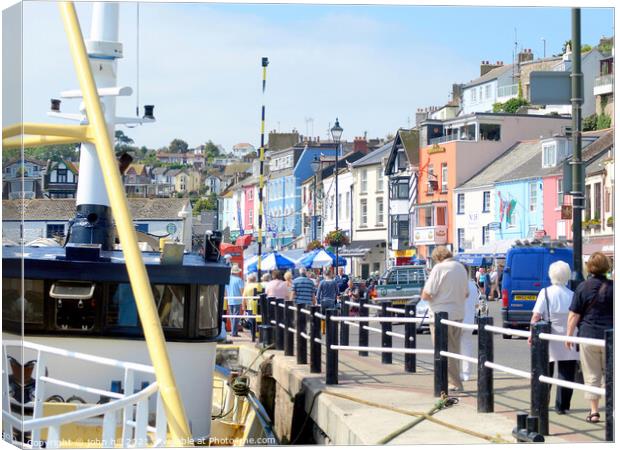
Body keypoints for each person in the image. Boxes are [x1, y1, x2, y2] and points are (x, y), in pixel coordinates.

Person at [566, 252, 613, 423]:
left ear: (589, 267)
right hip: (611, 337)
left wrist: (569, 336)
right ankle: (612, 409)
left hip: (588, 336)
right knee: (612, 374)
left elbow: (574, 315)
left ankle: (594, 412)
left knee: (591, 374)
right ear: (607, 267)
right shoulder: (614, 287)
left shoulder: (583, 287)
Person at [528, 261, 579, 415]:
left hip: (548, 336)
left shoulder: (545, 293)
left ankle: (542, 401)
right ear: (567, 276)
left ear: (551, 275)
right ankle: (562, 406)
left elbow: (536, 316)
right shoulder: (572, 294)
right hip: (569, 336)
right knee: (567, 372)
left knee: (545, 371)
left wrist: (531, 334)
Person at [421, 246, 468, 392]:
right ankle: (455, 382)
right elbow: (466, 294)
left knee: (441, 350)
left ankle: (451, 383)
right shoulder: (461, 268)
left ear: (438, 258)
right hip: (458, 314)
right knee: (454, 350)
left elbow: (426, 294)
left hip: (440, 315)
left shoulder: (439, 268)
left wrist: (435, 298)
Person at [461, 271, 479, 382]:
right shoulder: (472, 285)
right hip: (469, 321)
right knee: (466, 347)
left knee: (454, 348)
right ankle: (466, 373)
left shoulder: (457, 284)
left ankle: (457, 373)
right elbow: (477, 304)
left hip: (457, 320)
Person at [225, 264, 244, 337]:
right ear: (237, 272)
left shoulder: (228, 279)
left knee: (232, 317)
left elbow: (225, 290)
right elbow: (242, 291)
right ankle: (234, 332)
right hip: (237, 300)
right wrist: (243, 300)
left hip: (230, 300)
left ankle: (234, 332)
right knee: (236, 317)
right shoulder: (239, 280)